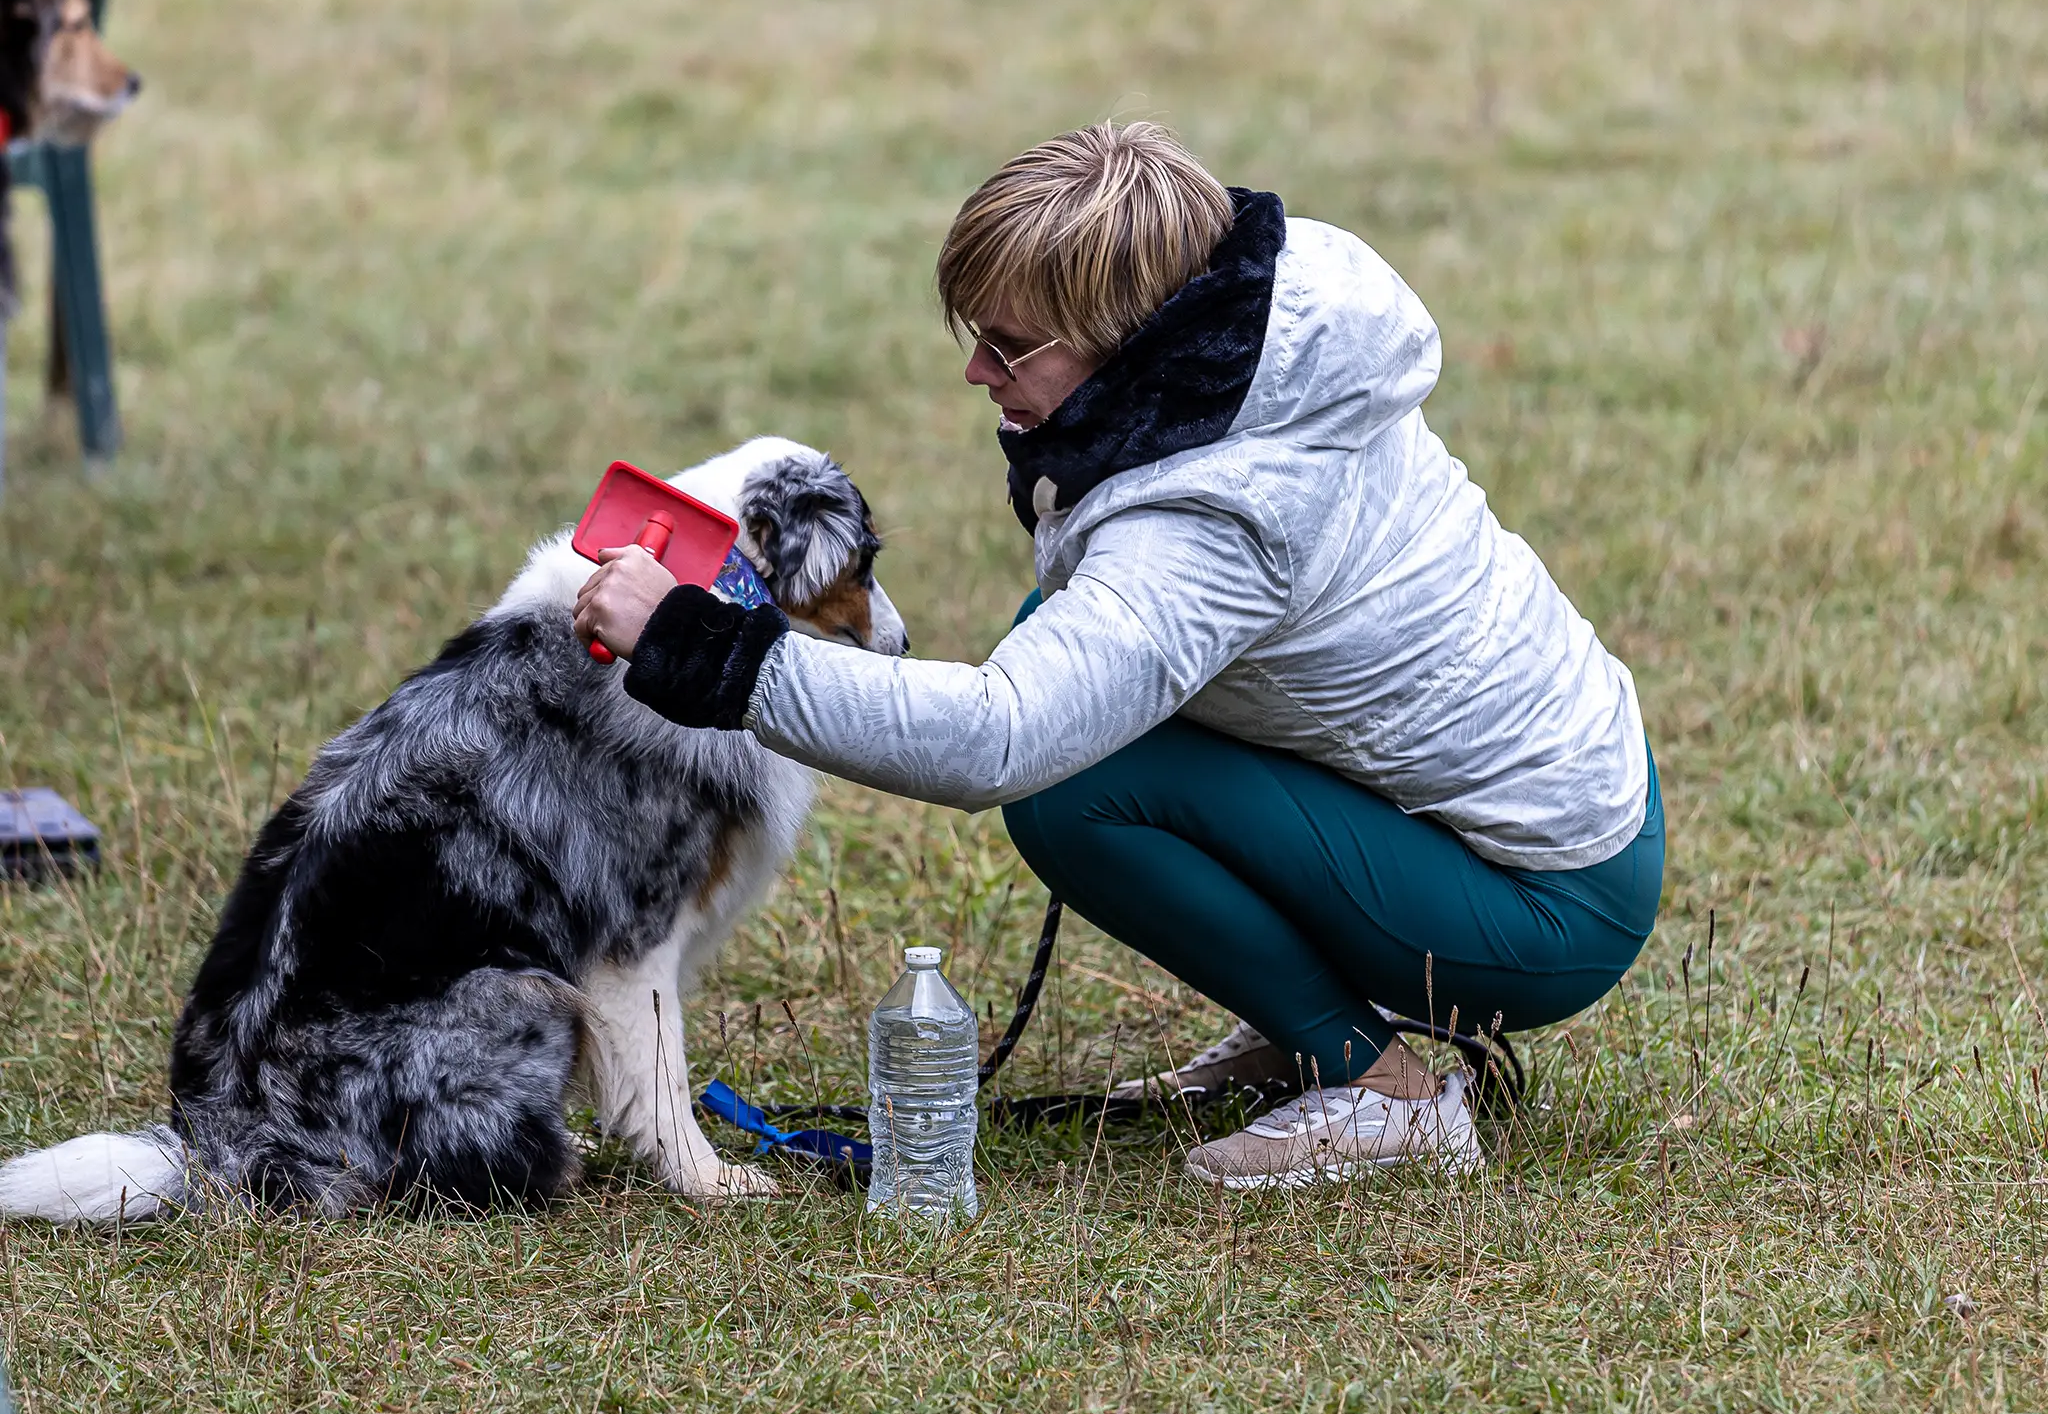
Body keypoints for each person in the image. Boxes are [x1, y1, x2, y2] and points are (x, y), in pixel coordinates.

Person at [574, 123, 1663, 1188]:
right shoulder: (1262, 332)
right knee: (1053, 645)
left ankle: (1383, 1093)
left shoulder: (1217, 515)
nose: (973, 371)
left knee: (1071, 784)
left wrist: (700, 644)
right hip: (1569, 803)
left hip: (1542, 907)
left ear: (1124, 334)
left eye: (1007, 347)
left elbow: (999, 739)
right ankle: (1309, 1026)